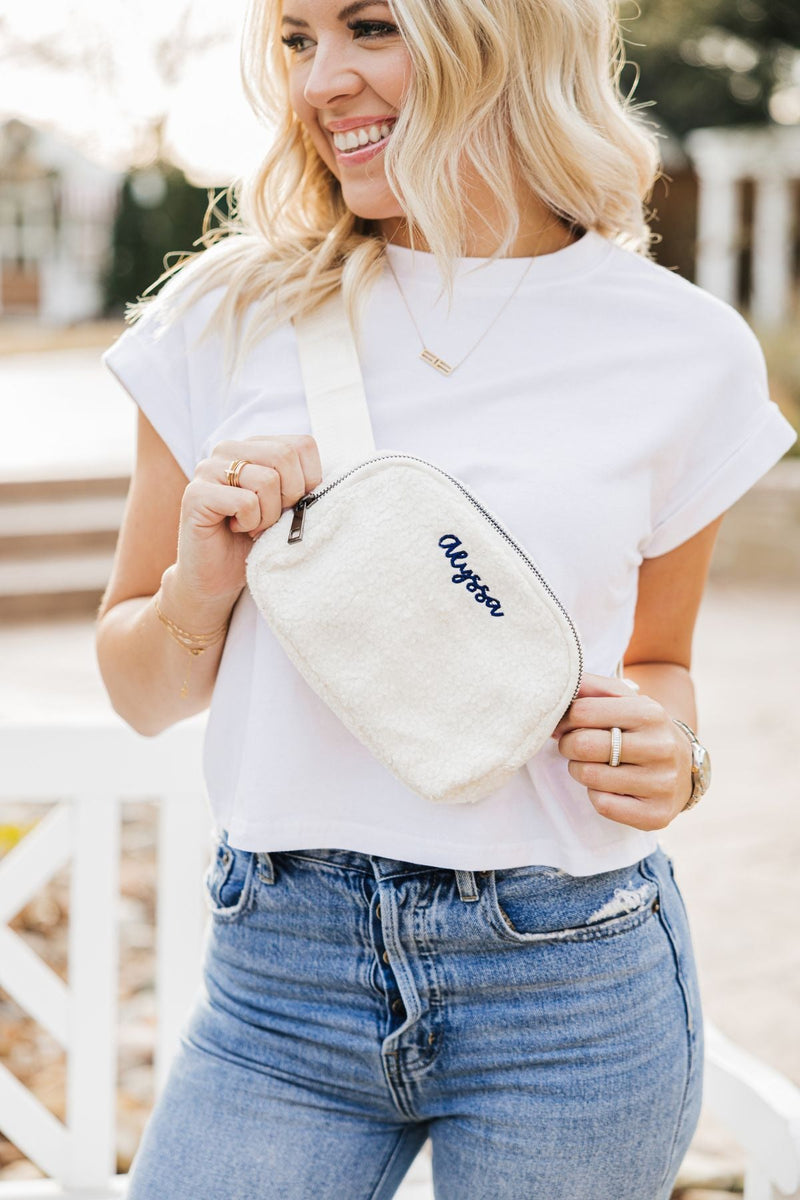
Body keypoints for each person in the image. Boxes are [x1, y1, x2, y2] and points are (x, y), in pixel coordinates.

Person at [96, 0, 797, 1196]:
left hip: (568, 984)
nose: (321, 81)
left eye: (370, 26)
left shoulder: (684, 350)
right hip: (281, 982)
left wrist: (672, 756)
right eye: (296, 39)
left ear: (509, 31)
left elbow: (660, 665)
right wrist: (196, 588)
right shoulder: (224, 317)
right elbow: (139, 691)